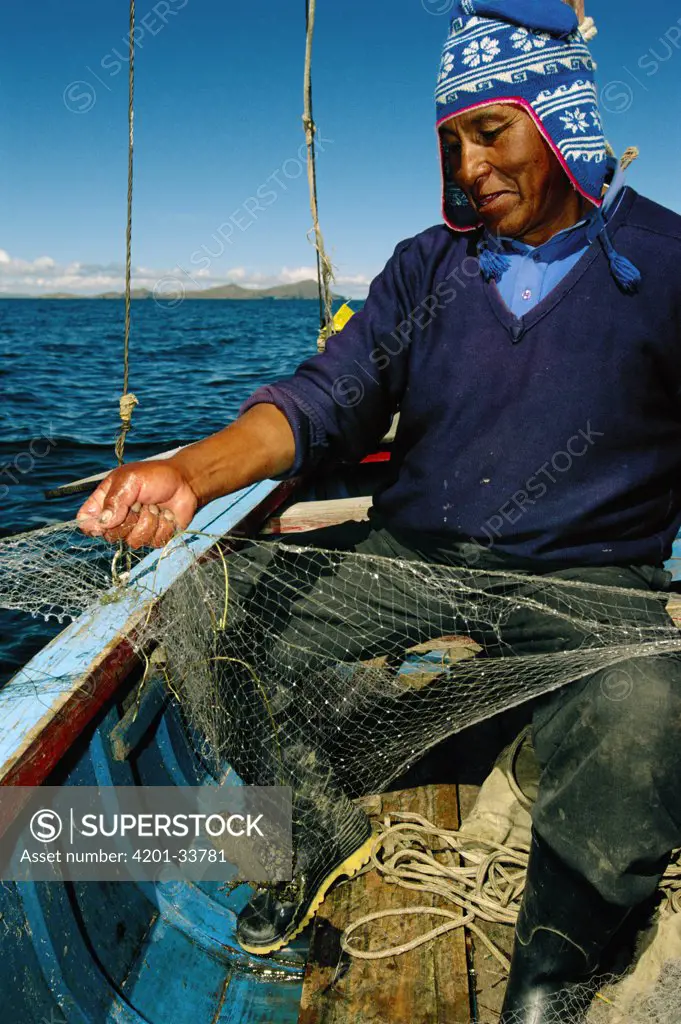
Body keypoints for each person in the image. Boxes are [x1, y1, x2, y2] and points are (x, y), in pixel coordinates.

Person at [77, 1, 681, 1019]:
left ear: (561, 117)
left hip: (594, 579)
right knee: (210, 604)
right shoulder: (423, 266)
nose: (468, 166)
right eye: (450, 141)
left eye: (490, 131)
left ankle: (551, 971)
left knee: (649, 706)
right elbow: (327, 396)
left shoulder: (664, 262)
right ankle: (311, 830)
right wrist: (196, 474)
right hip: (415, 550)